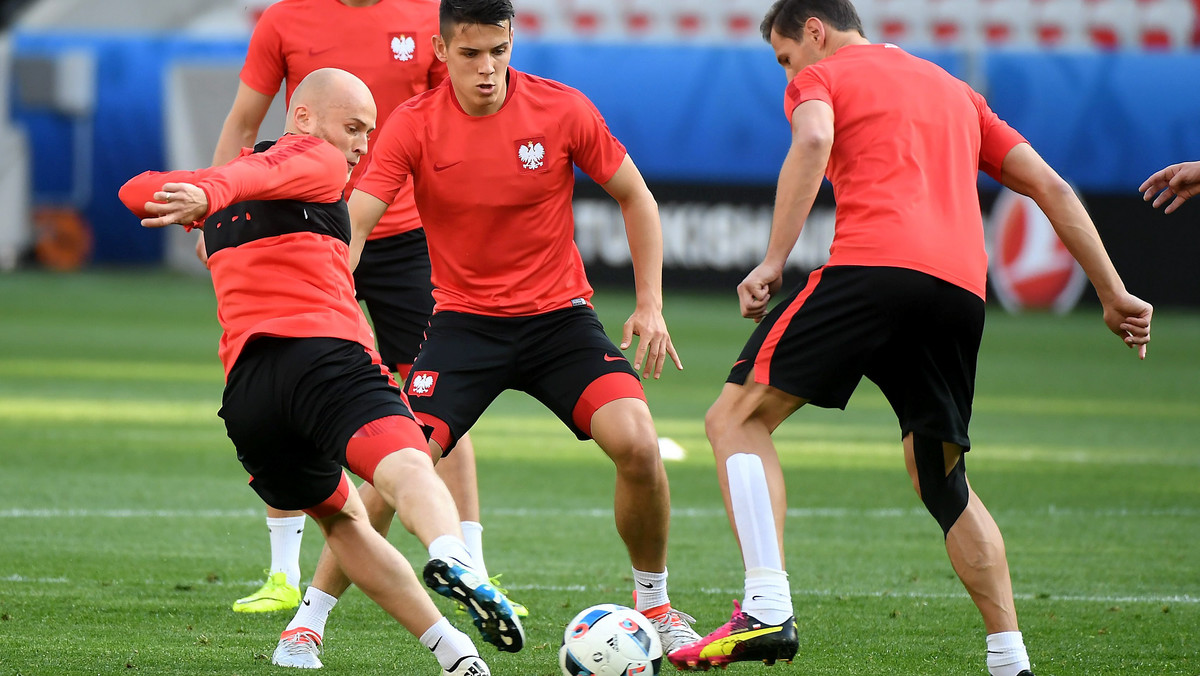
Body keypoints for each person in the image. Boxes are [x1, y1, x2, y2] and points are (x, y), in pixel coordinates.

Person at [667, 1, 1153, 673]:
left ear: (814, 29)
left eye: (785, 57)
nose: (787, 72)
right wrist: (1111, 290)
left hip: (873, 269)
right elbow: (1050, 186)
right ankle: (1010, 658)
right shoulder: (956, 92)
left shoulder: (823, 75)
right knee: (943, 477)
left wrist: (775, 259)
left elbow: (810, 142)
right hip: (958, 295)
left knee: (734, 418)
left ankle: (766, 609)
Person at [280, 0, 703, 657]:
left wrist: (650, 303)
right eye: (471, 53)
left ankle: (657, 606)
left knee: (640, 446)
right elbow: (356, 222)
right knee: (399, 467)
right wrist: (331, 304)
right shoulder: (412, 127)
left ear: (512, 44)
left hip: (560, 323)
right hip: (463, 328)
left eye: (499, 51)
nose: (488, 68)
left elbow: (636, 196)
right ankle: (307, 622)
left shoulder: (562, 110)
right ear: (440, 51)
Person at [118, 68, 523, 675]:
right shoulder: (320, 161)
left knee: (343, 523)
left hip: (250, 396)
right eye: (354, 127)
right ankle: (451, 555)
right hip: (327, 361)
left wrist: (205, 192)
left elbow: (136, 189)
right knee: (410, 463)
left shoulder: (225, 193)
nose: (362, 145)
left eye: (369, 132)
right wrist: (214, 190)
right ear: (303, 118)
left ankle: (454, 654)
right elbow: (270, 168)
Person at [206, 0, 523, 621]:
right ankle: (281, 573)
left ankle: (472, 566)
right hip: (306, 226)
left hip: (405, 236)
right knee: (291, 368)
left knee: (438, 394)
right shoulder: (283, 19)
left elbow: (453, 118)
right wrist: (222, 206)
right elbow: (245, 120)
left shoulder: (427, 15)